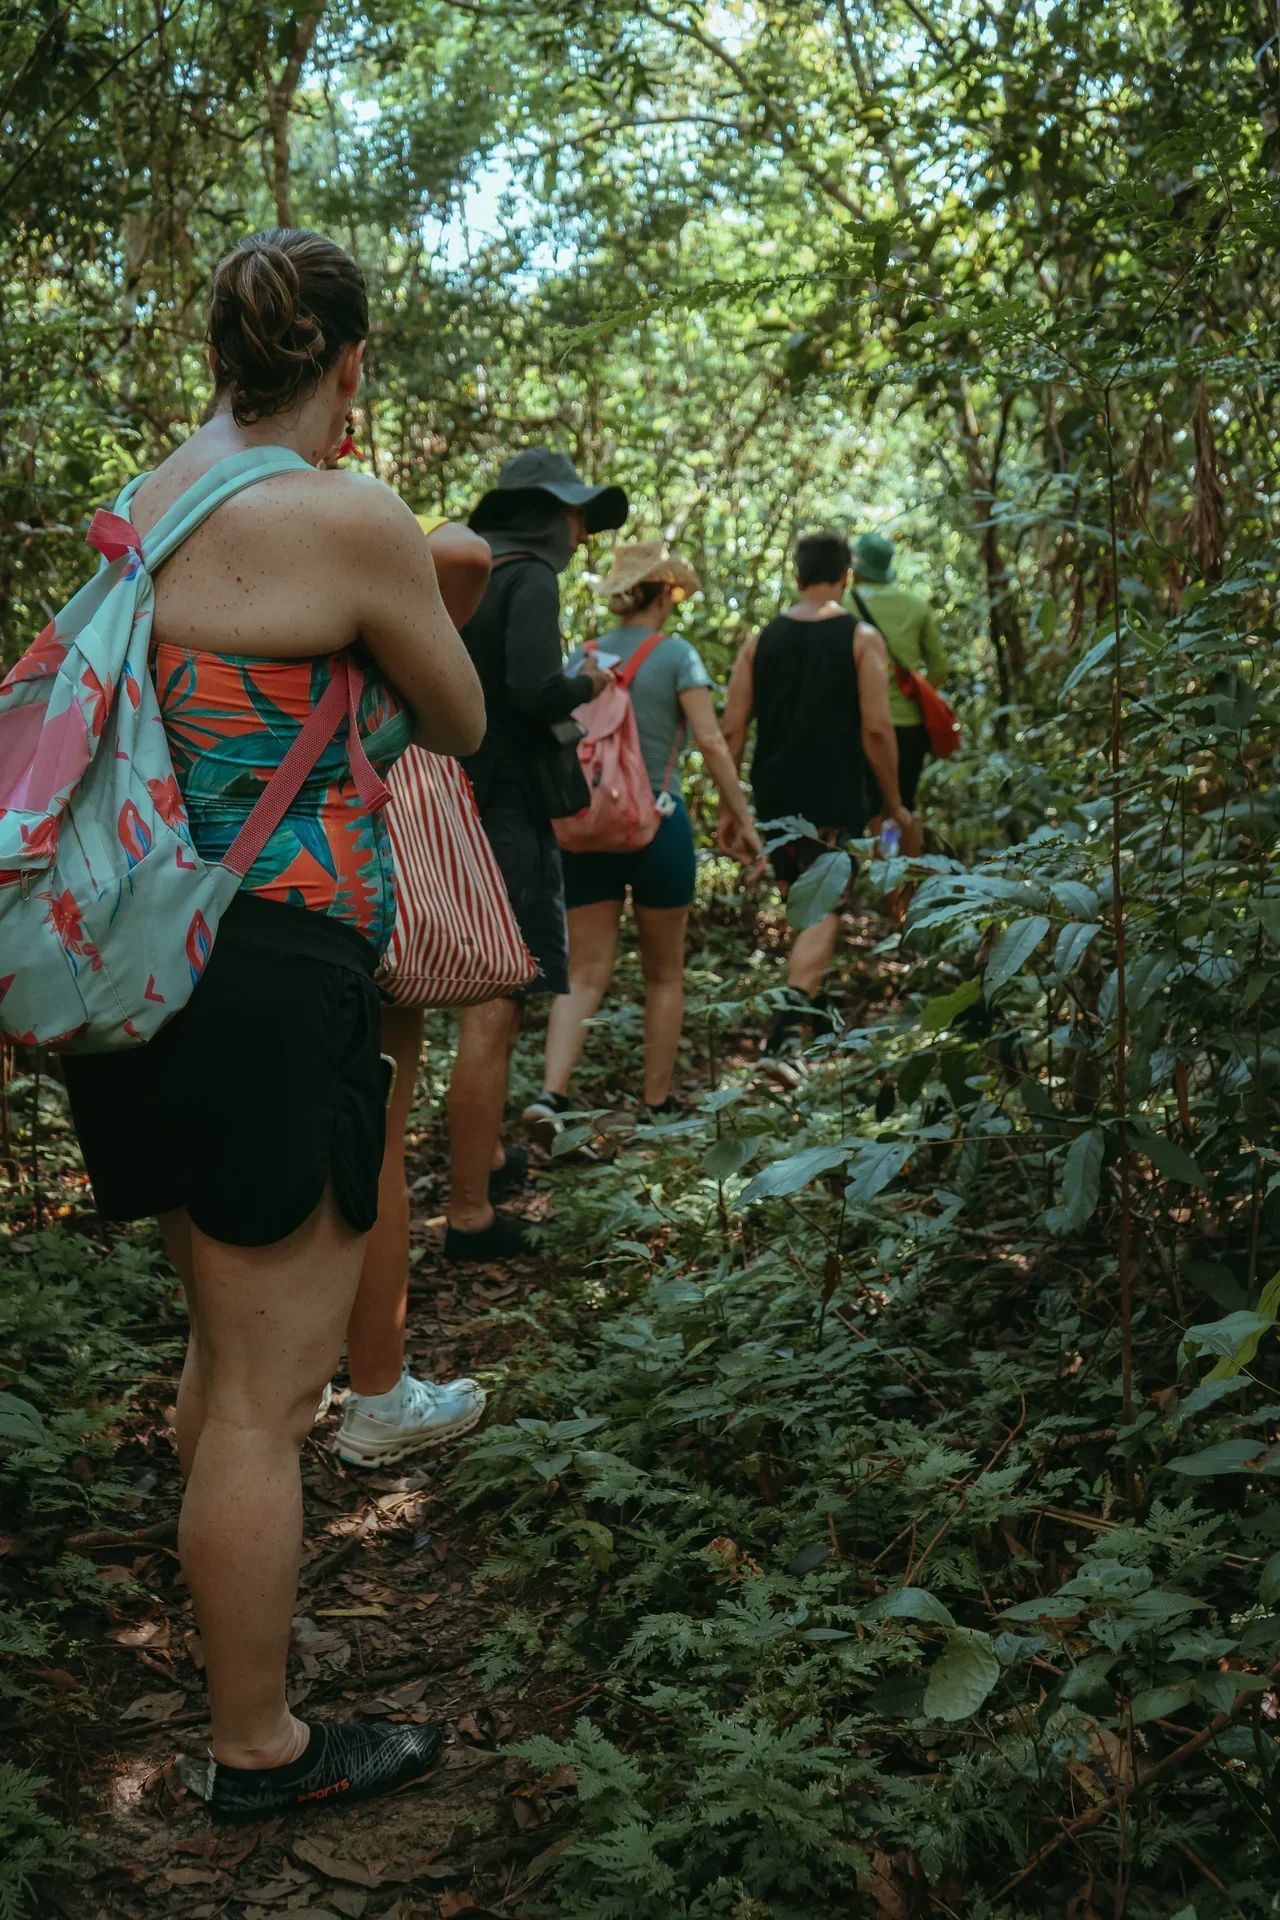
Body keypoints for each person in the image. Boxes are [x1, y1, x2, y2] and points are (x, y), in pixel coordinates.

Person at [60, 228, 486, 1818]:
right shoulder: (347, 514)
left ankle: (235, 1654)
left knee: (216, 1352)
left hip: (140, 972)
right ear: (349, 363)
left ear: (221, 357)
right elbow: (462, 716)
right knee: (266, 1397)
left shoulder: (151, 504)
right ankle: (257, 1745)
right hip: (274, 969)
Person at [333, 517, 495, 1469]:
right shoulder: (342, 554)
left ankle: (265, 1390)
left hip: (219, 895)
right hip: (355, 892)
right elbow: (466, 551)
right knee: (376, 1145)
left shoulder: (184, 543)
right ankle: (377, 1392)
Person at [442, 449, 627, 1264]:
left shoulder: (465, 570)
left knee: (482, 997)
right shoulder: (531, 578)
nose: (584, 534)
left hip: (450, 800)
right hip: (506, 807)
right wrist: (586, 681)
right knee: (496, 1001)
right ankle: (470, 1215)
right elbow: (530, 692)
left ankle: (485, 1159)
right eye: (579, 516)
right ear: (549, 512)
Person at [525, 541, 763, 1126]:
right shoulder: (676, 654)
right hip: (658, 824)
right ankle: (656, 1104)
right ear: (662, 594)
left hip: (585, 826)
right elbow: (711, 743)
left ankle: (551, 1095)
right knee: (665, 974)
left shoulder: (583, 657)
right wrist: (742, 818)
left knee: (584, 971)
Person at [719, 528, 914, 1078]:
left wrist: (730, 808)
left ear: (796, 576)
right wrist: (893, 803)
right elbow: (877, 729)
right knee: (821, 912)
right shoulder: (861, 638)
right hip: (835, 793)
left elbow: (732, 730)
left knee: (804, 910)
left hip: (775, 793)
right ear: (846, 577)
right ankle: (783, 1040)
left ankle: (812, 1023)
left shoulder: (760, 641)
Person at [850, 530, 948, 816]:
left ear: (856, 569)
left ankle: (869, 845)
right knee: (900, 808)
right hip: (908, 726)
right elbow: (939, 668)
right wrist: (914, 692)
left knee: (861, 809)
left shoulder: (841, 605)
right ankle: (894, 846)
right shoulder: (917, 607)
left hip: (858, 723)